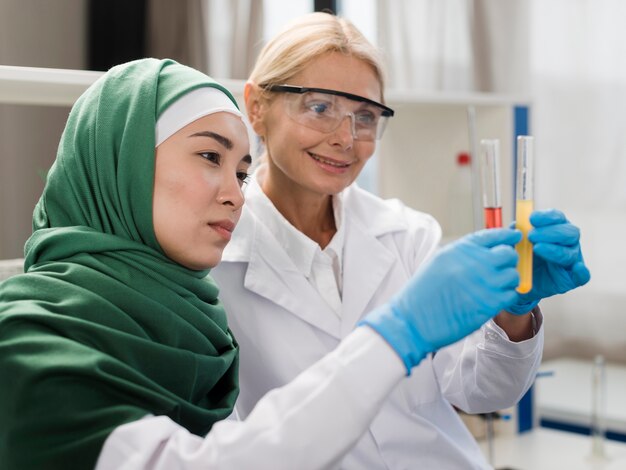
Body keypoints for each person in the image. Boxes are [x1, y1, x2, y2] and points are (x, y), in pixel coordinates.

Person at [0, 58, 535, 469]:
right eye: (210, 157)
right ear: (121, 161)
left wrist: (516, 314)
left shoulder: (191, 320)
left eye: (239, 171)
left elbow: (484, 388)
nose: (237, 194)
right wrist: (397, 334)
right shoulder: (31, 336)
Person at [210, 12, 591, 469]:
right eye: (319, 107)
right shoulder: (214, 257)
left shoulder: (407, 235)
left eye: (365, 117)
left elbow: (483, 390)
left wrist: (514, 313)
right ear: (255, 106)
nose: (345, 138)